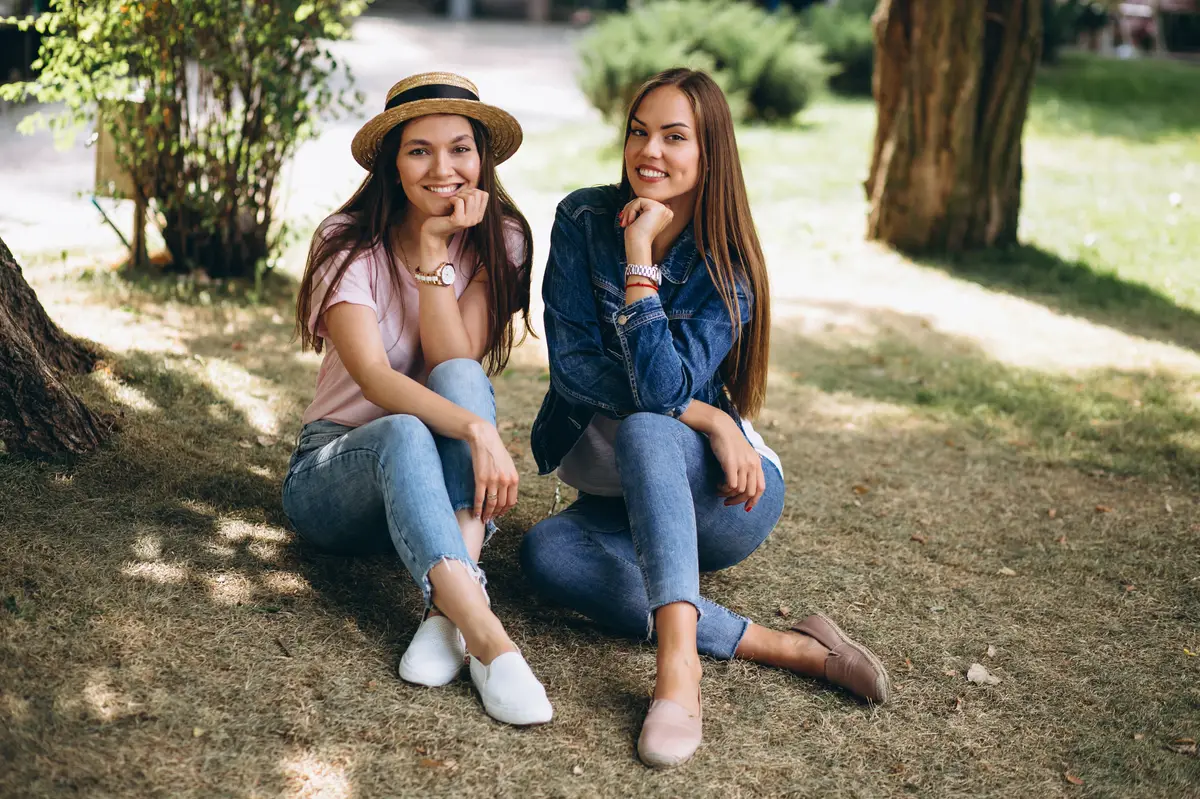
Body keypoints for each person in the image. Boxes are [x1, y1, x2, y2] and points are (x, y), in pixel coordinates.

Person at [521, 68, 889, 767]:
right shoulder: (581, 219)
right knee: (546, 555)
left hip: (720, 497)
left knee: (652, 426)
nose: (648, 151)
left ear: (710, 153)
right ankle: (792, 647)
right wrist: (712, 417)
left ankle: (678, 672)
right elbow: (571, 368)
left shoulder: (726, 266)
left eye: (674, 137)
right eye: (638, 131)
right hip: (619, 500)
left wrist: (639, 263)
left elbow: (660, 394)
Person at [283, 72, 552, 726]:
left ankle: (443, 612)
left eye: (460, 148)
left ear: (482, 158)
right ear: (391, 163)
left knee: (459, 380)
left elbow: (451, 364)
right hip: (336, 477)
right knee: (404, 426)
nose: (444, 169)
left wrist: (435, 260)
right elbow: (375, 380)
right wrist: (480, 432)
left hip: (432, 483)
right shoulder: (346, 241)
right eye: (419, 150)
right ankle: (487, 637)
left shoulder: (501, 237)